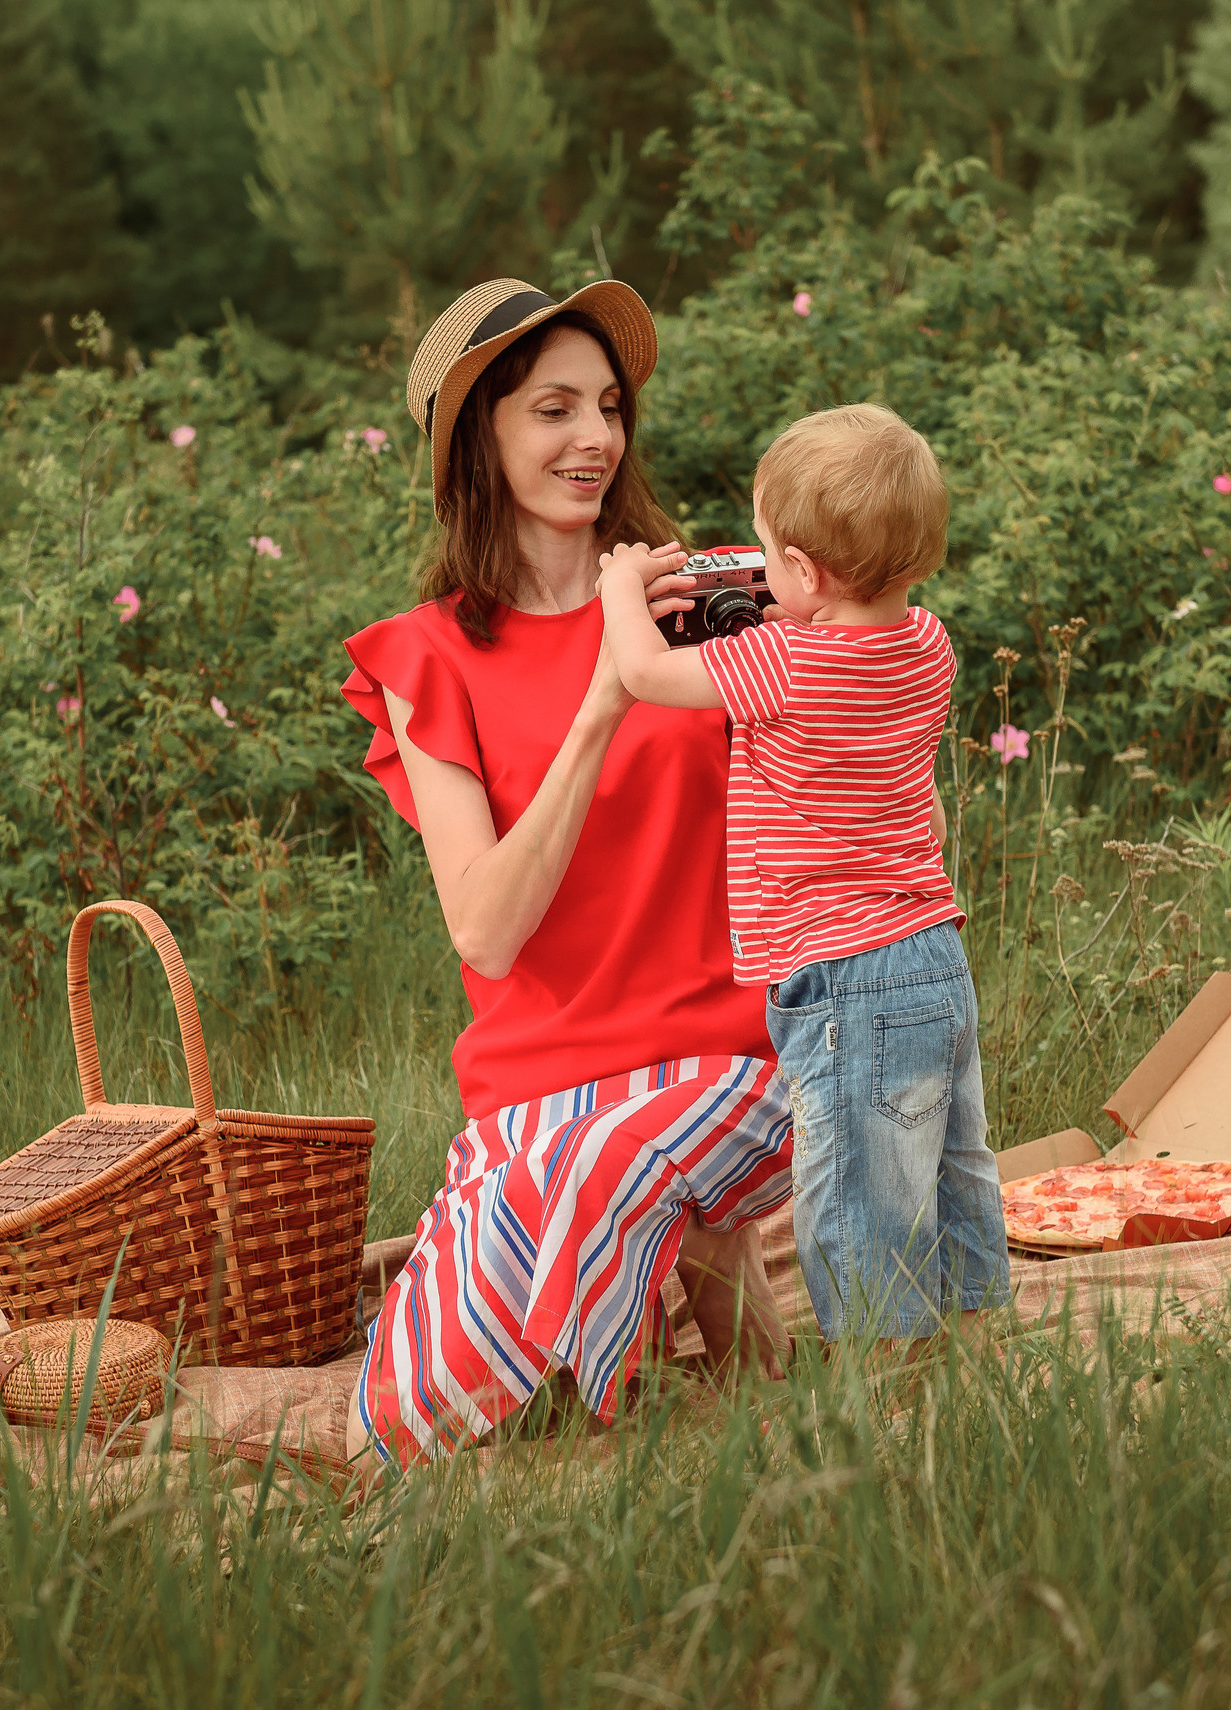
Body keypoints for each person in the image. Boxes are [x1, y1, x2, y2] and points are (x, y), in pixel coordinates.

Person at [341, 278, 793, 1467]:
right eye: (551, 410)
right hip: (537, 1100)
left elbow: (824, 796)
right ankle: (671, 1373)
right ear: (477, 440)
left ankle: (649, 1428)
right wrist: (606, 687)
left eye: (606, 404)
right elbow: (487, 934)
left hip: (734, 1059)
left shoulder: (699, 607)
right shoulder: (424, 657)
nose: (594, 438)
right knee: (403, 1405)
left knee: (613, 1179)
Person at [595, 403, 1009, 1346]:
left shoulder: (784, 658)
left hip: (846, 977)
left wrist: (626, 587)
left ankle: (884, 1375)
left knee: (860, 1185)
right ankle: (976, 1334)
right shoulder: (930, 644)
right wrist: (786, 584)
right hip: (933, 954)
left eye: (772, 552)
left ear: (809, 574)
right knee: (951, 1160)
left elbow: (650, 677)